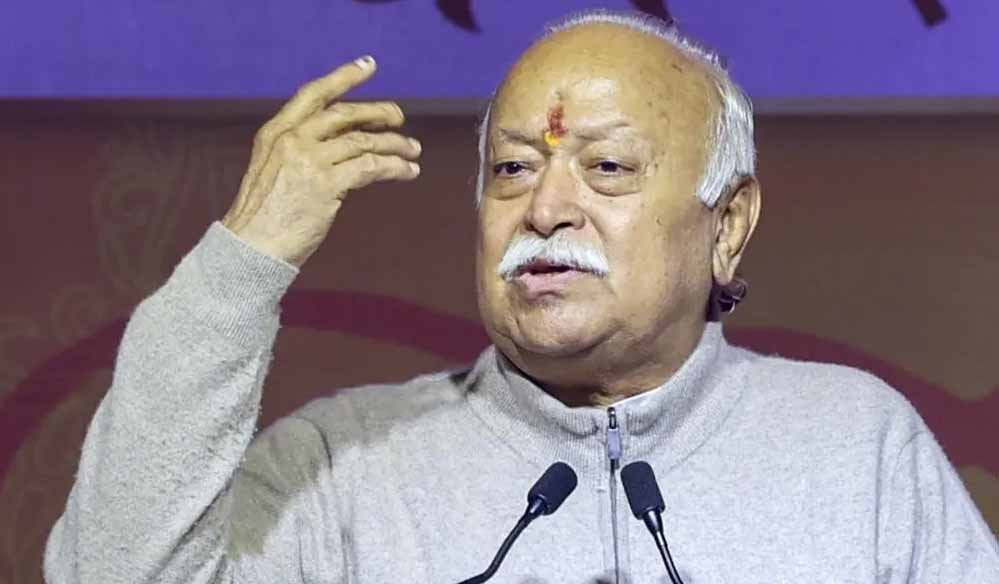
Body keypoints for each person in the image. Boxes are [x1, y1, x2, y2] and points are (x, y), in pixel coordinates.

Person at [44, 9, 999, 584]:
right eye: (510, 169)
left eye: (607, 166)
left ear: (727, 225)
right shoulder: (342, 467)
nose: (544, 208)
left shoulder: (855, 446)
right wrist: (241, 263)